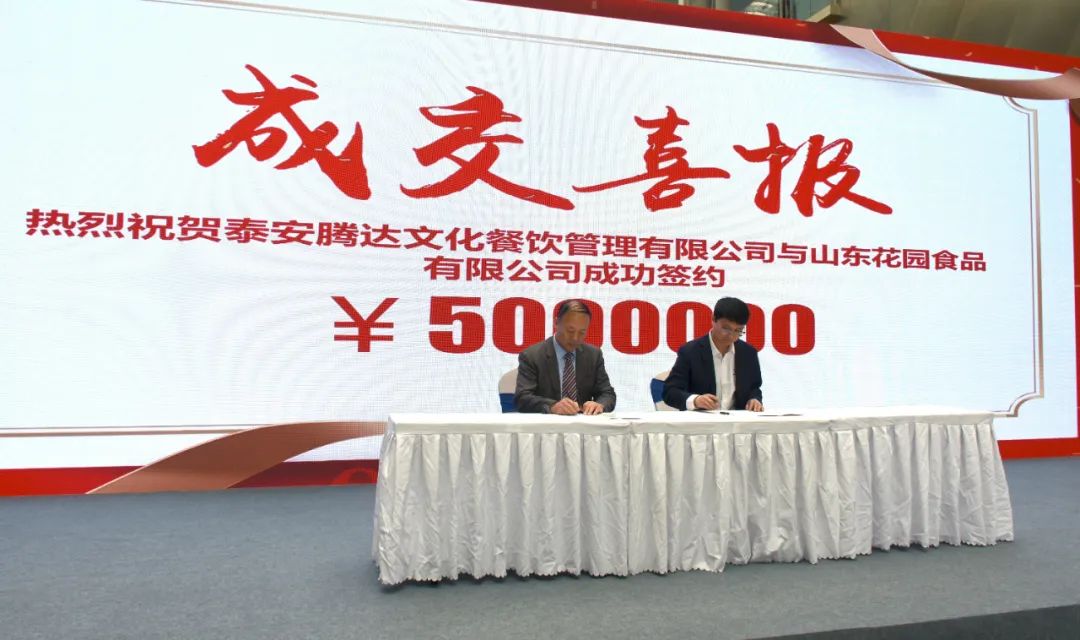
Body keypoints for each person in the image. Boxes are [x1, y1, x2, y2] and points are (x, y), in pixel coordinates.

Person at [514, 300, 616, 415]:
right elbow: (522, 398)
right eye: (570, 331)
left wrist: (600, 404)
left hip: (583, 424)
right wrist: (552, 406)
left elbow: (607, 393)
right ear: (556, 323)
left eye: (582, 332)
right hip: (547, 424)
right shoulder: (532, 356)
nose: (575, 338)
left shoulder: (593, 355)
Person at [663, 296, 764, 412]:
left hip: (737, 421)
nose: (731, 335)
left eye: (738, 330)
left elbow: (754, 388)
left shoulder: (748, 353)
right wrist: (695, 400)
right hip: (703, 420)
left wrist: (754, 399)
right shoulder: (690, 351)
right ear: (713, 318)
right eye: (726, 328)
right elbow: (670, 392)